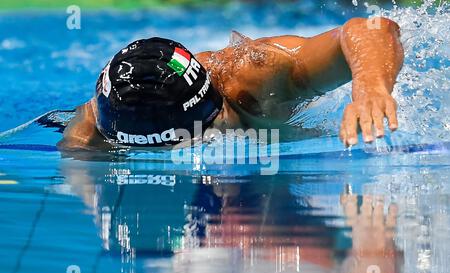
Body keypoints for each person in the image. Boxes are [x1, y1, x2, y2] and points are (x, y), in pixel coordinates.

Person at [57, 17, 404, 151]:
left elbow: (372, 28)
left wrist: (371, 84)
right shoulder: (110, 111)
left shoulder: (260, 78)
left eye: (173, 146)